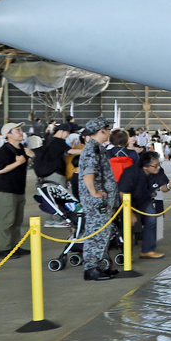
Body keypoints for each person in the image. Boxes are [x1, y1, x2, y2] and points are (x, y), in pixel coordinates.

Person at [75, 119, 118, 280]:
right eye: (108, 129)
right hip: (97, 202)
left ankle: (99, 265)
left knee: (103, 233)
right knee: (96, 234)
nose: (109, 132)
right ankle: (91, 268)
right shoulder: (92, 149)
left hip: (103, 201)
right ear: (101, 131)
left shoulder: (97, 148)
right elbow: (88, 173)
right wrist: (93, 192)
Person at [118, 150, 171, 259]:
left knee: (151, 219)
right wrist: (130, 212)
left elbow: (163, 188)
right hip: (127, 201)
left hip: (144, 199)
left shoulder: (158, 171)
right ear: (145, 167)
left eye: (159, 164)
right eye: (155, 166)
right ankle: (126, 254)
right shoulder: (131, 173)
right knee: (128, 225)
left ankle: (148, 250)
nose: (158, 167)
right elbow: (122, 192)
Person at [0, 124, 30, 258]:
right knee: (6, 222)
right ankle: (4, 250)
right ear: (8, 134)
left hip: (18, 189)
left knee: (17, 221)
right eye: (17, 130)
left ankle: (15, 246)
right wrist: (17, 163)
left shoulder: (21, 149)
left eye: (20, 130)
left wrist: (29, 158)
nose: (21, 132)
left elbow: (25, 163)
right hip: (5, 190)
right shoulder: (4, 150)